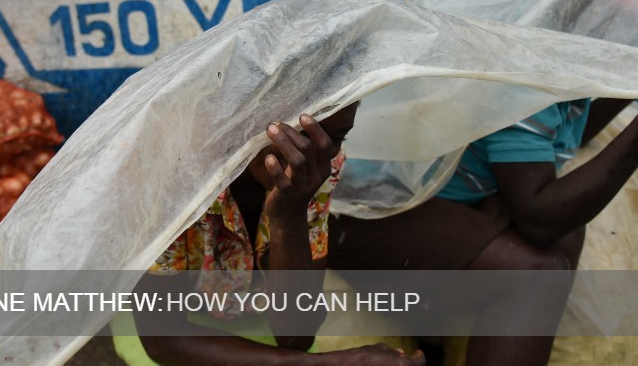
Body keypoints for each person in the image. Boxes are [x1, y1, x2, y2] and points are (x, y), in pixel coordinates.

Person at [328, 73, 638, 366]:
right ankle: (433, 322)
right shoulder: (522, 81)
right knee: (535, 271)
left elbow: (564, 137)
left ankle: (438, 327)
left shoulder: (557, 71)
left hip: (416, 197)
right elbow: (540, 216)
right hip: (358, 213)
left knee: (563, 235)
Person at [129, 102, 426, 366]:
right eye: (297, 134)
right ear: (247, 113)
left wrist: (288, 216)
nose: (312, 155)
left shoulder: (318, 166)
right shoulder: (167, 172)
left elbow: (296, 335)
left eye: (335, 138)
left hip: (254, 307)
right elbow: (163, 338)